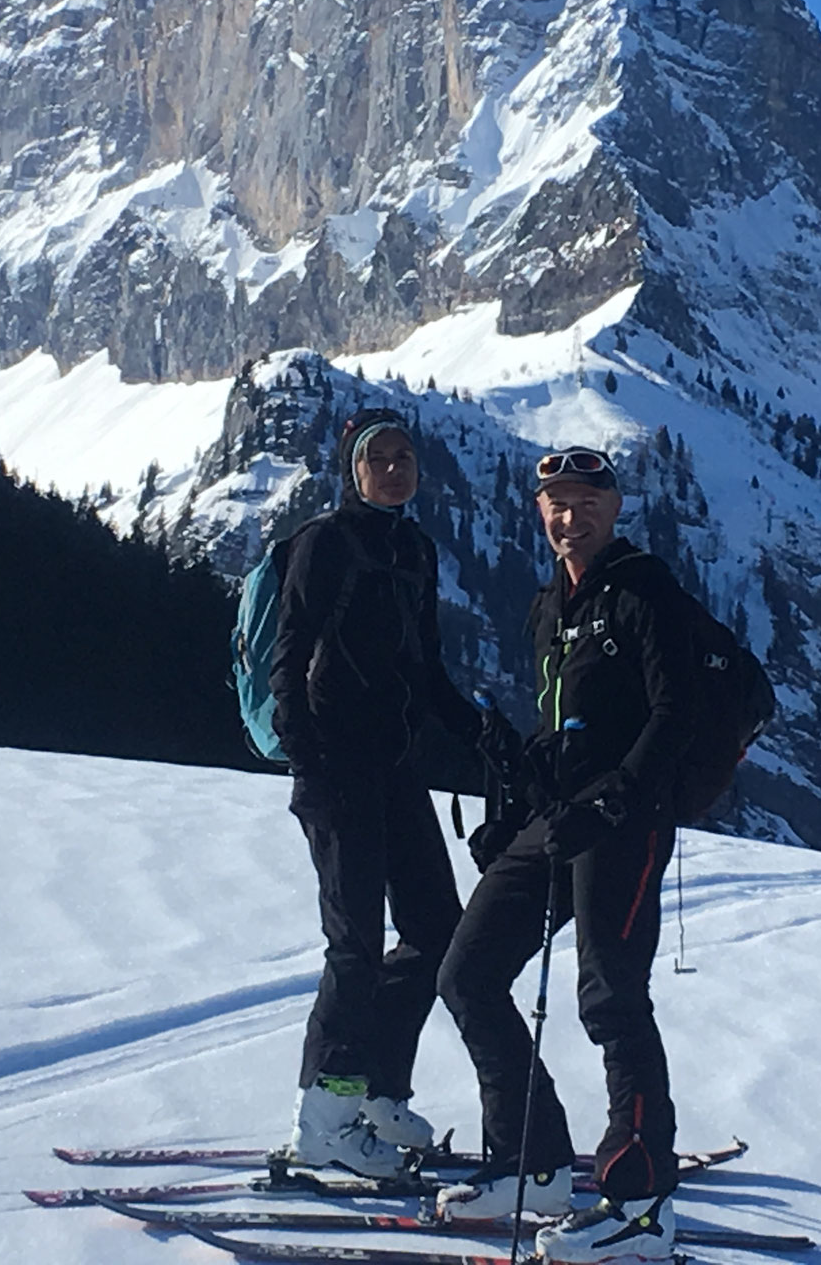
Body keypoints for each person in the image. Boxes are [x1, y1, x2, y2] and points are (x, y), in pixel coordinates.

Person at [435, 446, 696, 1263]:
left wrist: (617, 798)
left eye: (586, 500)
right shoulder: (552, 604)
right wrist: (508, 816)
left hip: (626, 821)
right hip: (558, 819)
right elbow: (555, 734)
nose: (568, 515)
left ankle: (642, 1206)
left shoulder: (644, 591)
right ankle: (533, 1164)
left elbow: (677, 711)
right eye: (555, 502)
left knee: (611, 997)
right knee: (467, 973)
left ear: (614, 510)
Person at [271, 407, 484, 1177]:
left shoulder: (414, 549)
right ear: (352, 469)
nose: (394, 469)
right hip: (335, 769)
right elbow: (288, 656)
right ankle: (322, 1118)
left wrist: (486, 738)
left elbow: (426, 674)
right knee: (354, 945)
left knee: (436, 930)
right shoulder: (325, 543)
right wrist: (308, 758)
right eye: (377, 458)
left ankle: (377, 1090)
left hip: (394, 770)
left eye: (404, 457)